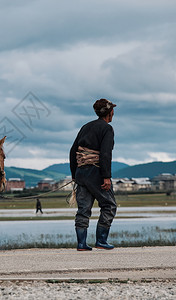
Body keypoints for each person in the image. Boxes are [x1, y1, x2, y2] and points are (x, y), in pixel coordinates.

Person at [69, 98, 117, 251]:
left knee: (83, 209)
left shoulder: (85, 127)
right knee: (109, 205)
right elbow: (105, 154)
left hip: (81, 174)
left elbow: (72, 151)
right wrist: (106, 176)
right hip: (96, 173)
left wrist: (74, 175)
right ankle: (101, 240)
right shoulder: (107, 129)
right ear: (109, 113)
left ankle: (81, 244)